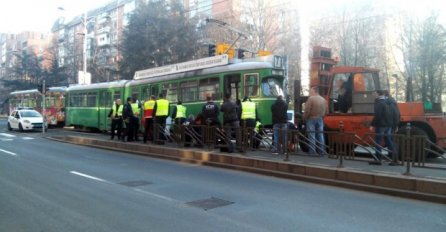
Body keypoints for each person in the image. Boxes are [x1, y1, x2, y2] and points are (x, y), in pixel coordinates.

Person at [370, 90, 398, 165]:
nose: (373, 95)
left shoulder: (379, 102)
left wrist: (372, 124)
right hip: (388, 125)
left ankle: (378, 159)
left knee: (378, 141)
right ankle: (394, 159)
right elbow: (393, 113)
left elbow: (378, 115)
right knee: (389, 141)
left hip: (381, 125)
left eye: (374, 93)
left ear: (378, 94)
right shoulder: (388, 101)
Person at [304, 86, 327, 156]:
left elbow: (307, 110)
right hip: (320, 119)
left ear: (314, 91)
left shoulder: (311, 99)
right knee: (320, 135)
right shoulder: (323, 99)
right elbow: (326, 111)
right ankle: (321, 151)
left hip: (311, 119)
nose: (310, 92)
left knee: (312, 135)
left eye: (311, 91)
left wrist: (305, 117)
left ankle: (312, 152)